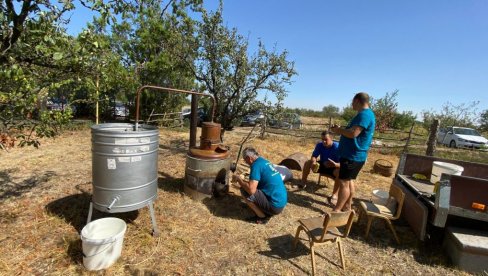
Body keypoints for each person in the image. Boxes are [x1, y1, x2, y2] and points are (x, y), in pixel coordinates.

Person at [331, 92, 375, 212]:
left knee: (344, 183)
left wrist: (338, 130)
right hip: (354, 155)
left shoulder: (364, 115)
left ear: (357, 101)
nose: (351, 104)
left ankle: (336, 211)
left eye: (352, 102)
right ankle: (347, 206)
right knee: (349, 181)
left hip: (352, 155)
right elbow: (353, 131)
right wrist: (340, 129)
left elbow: (353, 133)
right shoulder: (366, 114)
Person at [232, 147, 288, 224]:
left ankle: (262, 217)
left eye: (245, 160)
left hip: (275, 206)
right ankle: (264, 209)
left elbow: (251, 190)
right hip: (281, 202)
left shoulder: (256, 165)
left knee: (244, 190)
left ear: (249, 158)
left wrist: (239, 180)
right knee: (249, 187)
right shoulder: (264, 161)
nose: (245, 162)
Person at [301, 131, 340, 200]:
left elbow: (342, 163)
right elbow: (314, 156)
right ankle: (303, 183)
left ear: (331, 139)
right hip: (323, 165)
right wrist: (313, 162)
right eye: (322, 139)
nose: (324, 141)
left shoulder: (338, 147)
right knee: (307, 163)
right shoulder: (319, 145)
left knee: (340, 173)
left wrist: (334, 165)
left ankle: (334, 195)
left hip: (334, 167)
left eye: (326, 140)